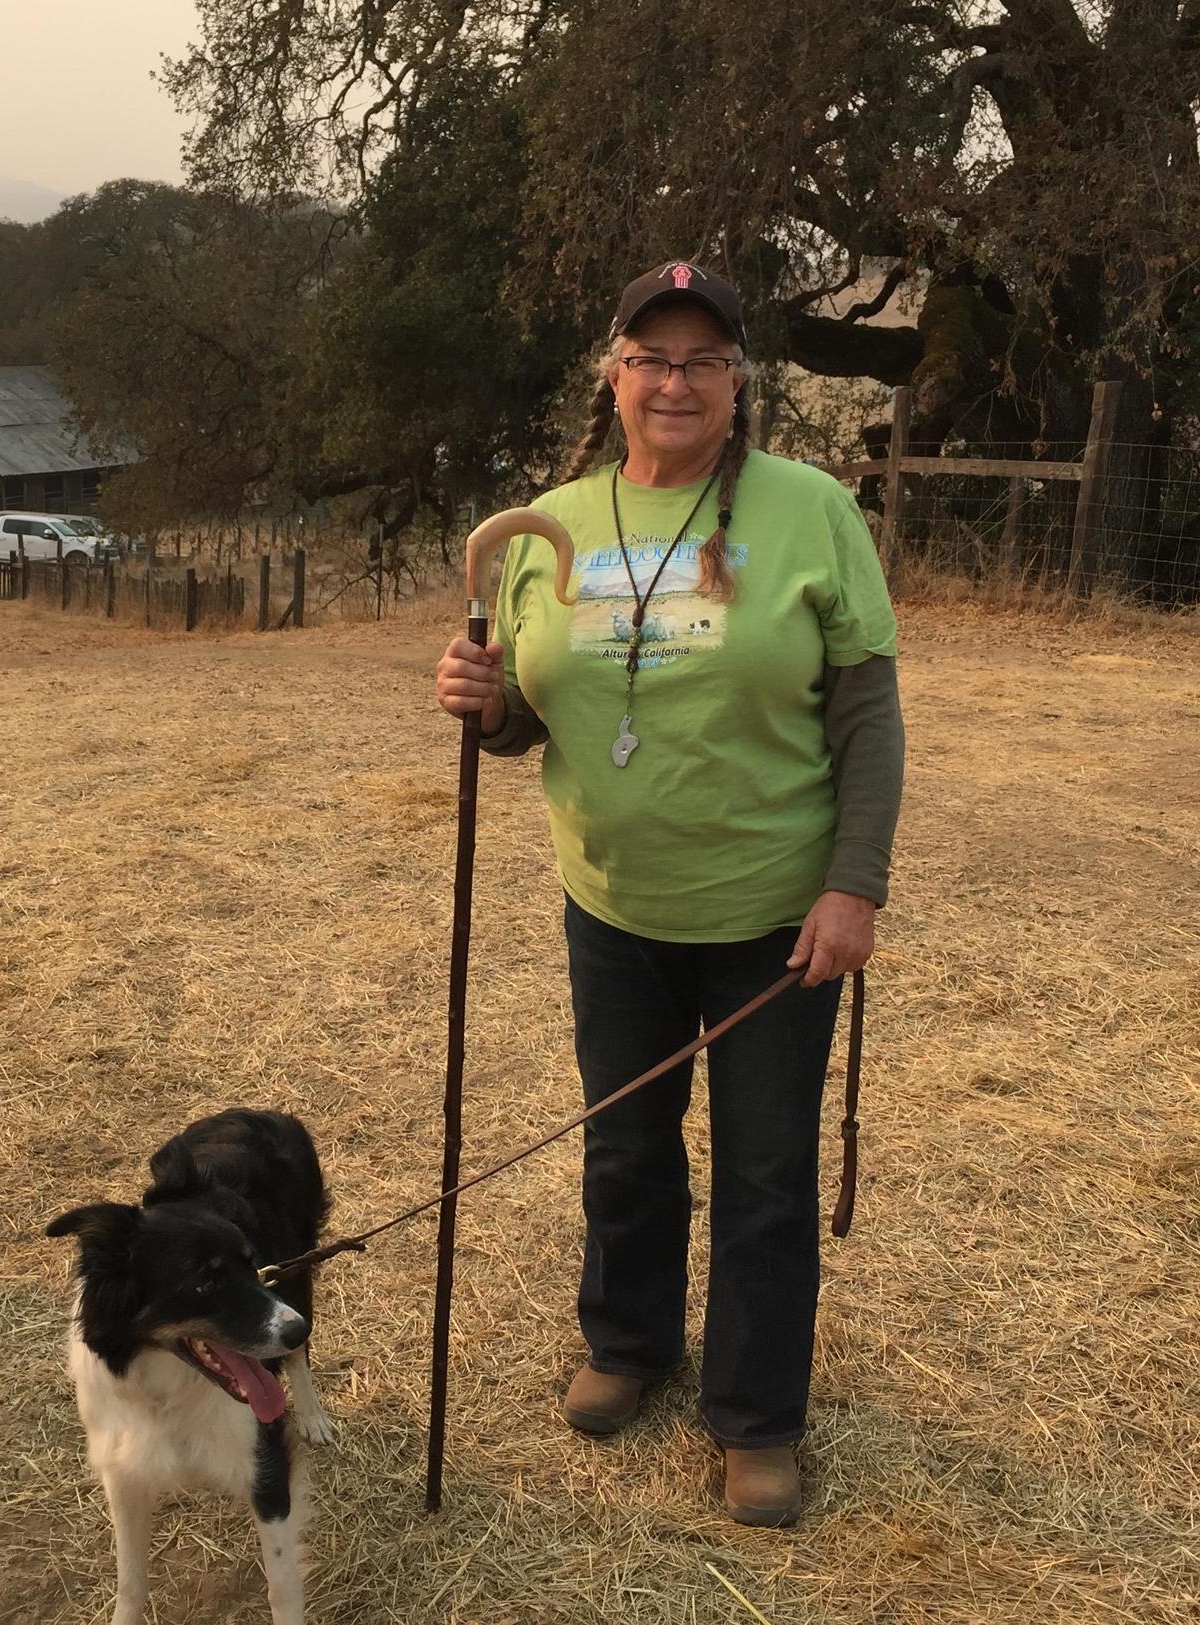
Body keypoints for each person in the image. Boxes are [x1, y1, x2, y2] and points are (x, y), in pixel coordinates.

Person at [433, 261, 904, 1527]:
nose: (675, 380)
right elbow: (536, 713)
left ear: (740, 381)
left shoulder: (812, 512)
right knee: (626, 1144)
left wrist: (853, 885)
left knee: (762, 1172)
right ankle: (629, 1343)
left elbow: (867, 712)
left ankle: (756, 1416)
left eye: (704, 358)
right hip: (614, 905)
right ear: (615, 374)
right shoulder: (551, 525)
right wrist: (488, 710)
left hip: (773, 916)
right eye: (652, 357)